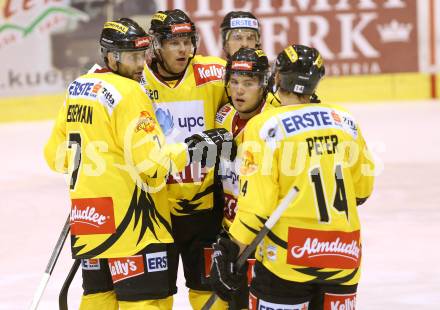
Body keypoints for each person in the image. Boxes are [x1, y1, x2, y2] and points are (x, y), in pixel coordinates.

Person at [44, 18, 232, 310]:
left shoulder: (78, 87)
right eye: (132, 57)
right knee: (147, 302)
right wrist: (195, 147)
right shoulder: (130, 92)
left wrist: (104, 165)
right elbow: (152, 167)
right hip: (133, 224)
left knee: (97, 298)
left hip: (90, 219)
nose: (140, 65)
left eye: (141, 55)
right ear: (111, 57)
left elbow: (54, 156)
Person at [209, 44, 375, 309]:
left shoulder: (265, 126)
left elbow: (256, 208)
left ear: (276, 78)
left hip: (288, 259)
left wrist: (231, 249)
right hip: (344, 254)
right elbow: (363, 190)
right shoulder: (345, 121)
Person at [141, 9, 230, 309]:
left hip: (203, 207)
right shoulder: (135, 81)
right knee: (154, 296)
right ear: (156, 44)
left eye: (187, 41)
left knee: (208, 293)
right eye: (173, 42)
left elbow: (249, 99)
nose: (183, 49)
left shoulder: (213, 73)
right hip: (154, 212)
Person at [212, 47, 278, 309]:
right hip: (231, 233)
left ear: (264, 85)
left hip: (265, 238)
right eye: (235, 82)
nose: (239, 90)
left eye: (248, 83)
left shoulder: (275, 120)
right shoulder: (223, 116)